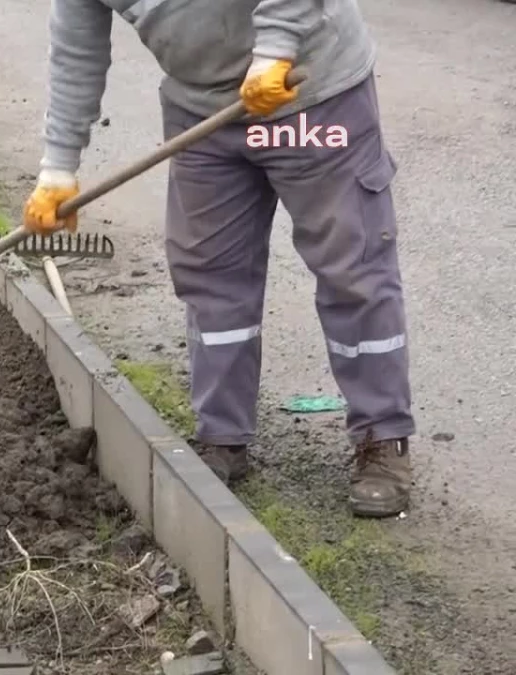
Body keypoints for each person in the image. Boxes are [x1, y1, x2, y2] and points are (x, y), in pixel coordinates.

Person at [23, 0, 415, 518]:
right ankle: (223, 436)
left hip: (310, 91)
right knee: (210, 272)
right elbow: (77, 49)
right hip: (204, 113)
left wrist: (275, 48)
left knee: (352, 268)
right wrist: (58, 167)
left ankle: (381, 437)